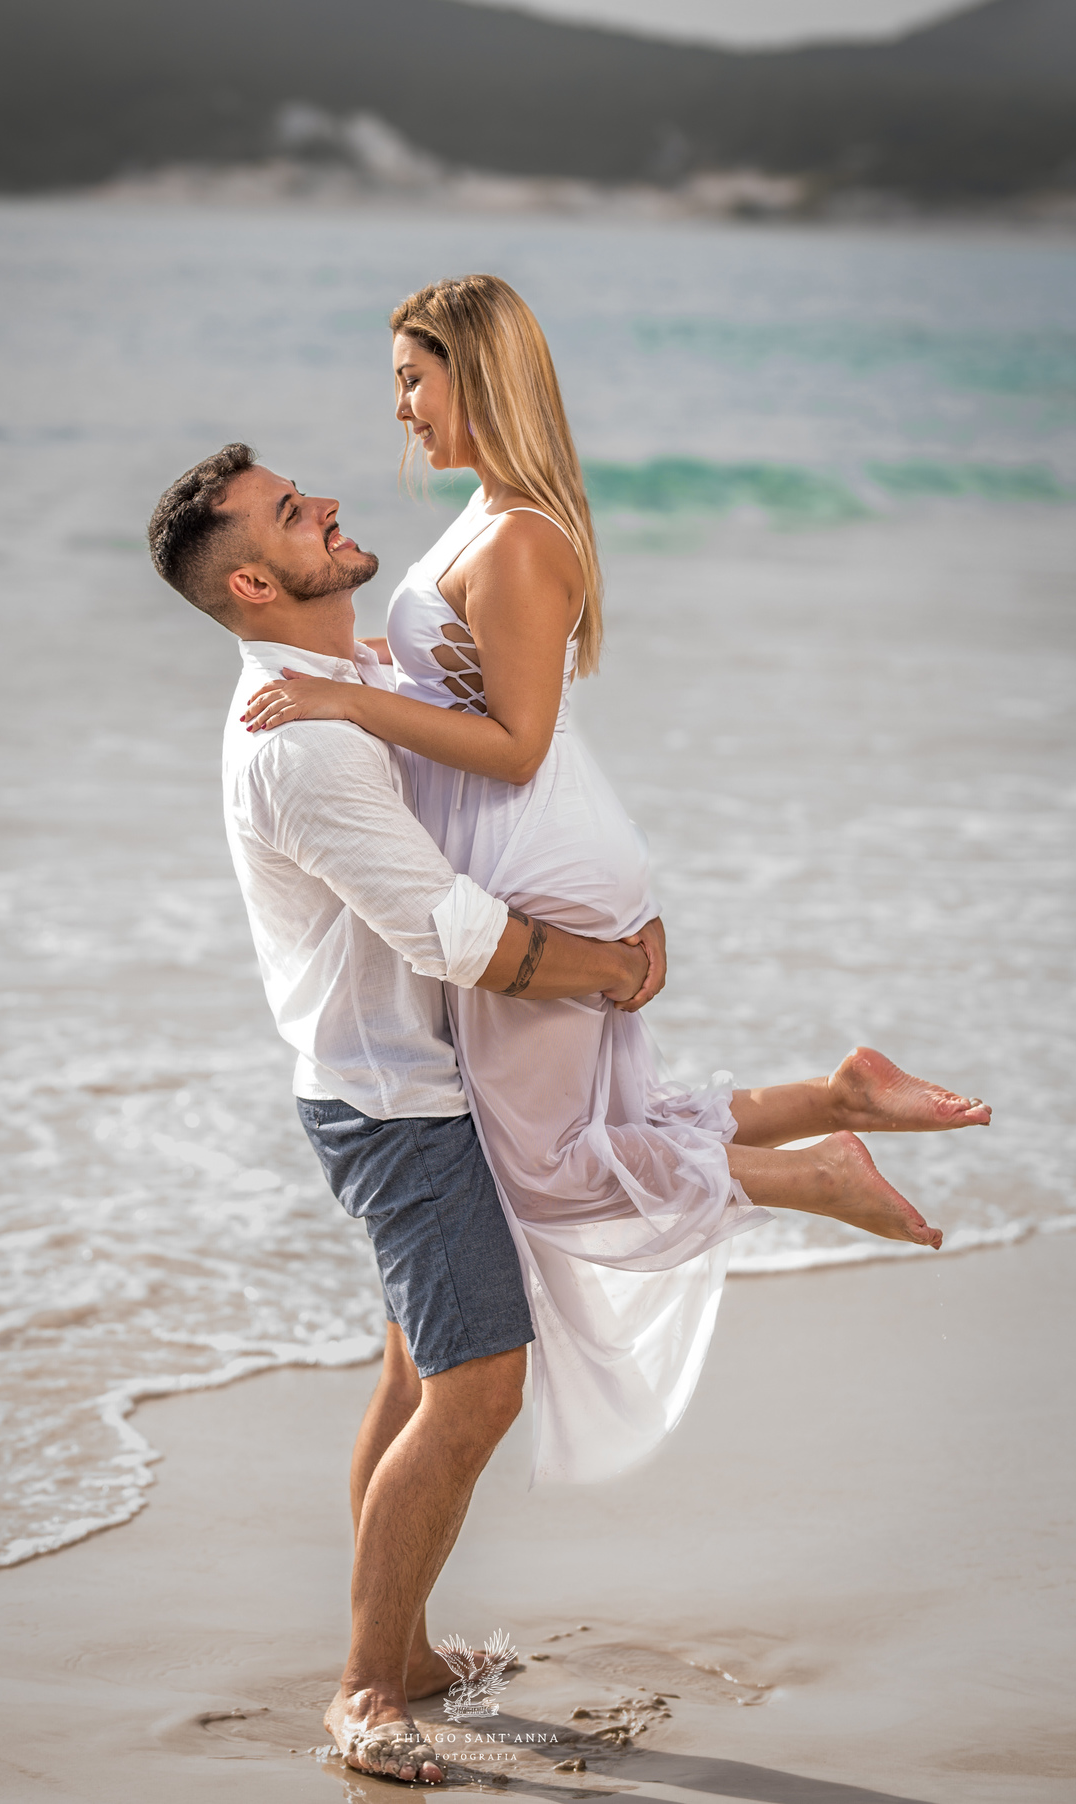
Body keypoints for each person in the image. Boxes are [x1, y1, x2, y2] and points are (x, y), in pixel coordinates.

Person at [148, 440, 989, 1787]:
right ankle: (367, 1687)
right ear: (254, 579)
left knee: (422, 1369)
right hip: (399, 1104)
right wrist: (612, 969)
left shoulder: (354, 674)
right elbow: (452, 933)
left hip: (435, 1076)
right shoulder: (300, 742)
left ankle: (405, 1652)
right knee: (477, 1384)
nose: (331, 505)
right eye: (296, 516)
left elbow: (504, 762)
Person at [240, 274, 992, 1491]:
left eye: (412, 380)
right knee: (586, 1138)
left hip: (536, 860)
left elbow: (518, 742)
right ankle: (838, 1092)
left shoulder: (526, 534)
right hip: (525, 853)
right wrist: (367, 670)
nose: (399, 409)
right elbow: (460, 687)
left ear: (474, 376)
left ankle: (816, 1168)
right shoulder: (489, 514)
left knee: (550, 1168)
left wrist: (345, 696)